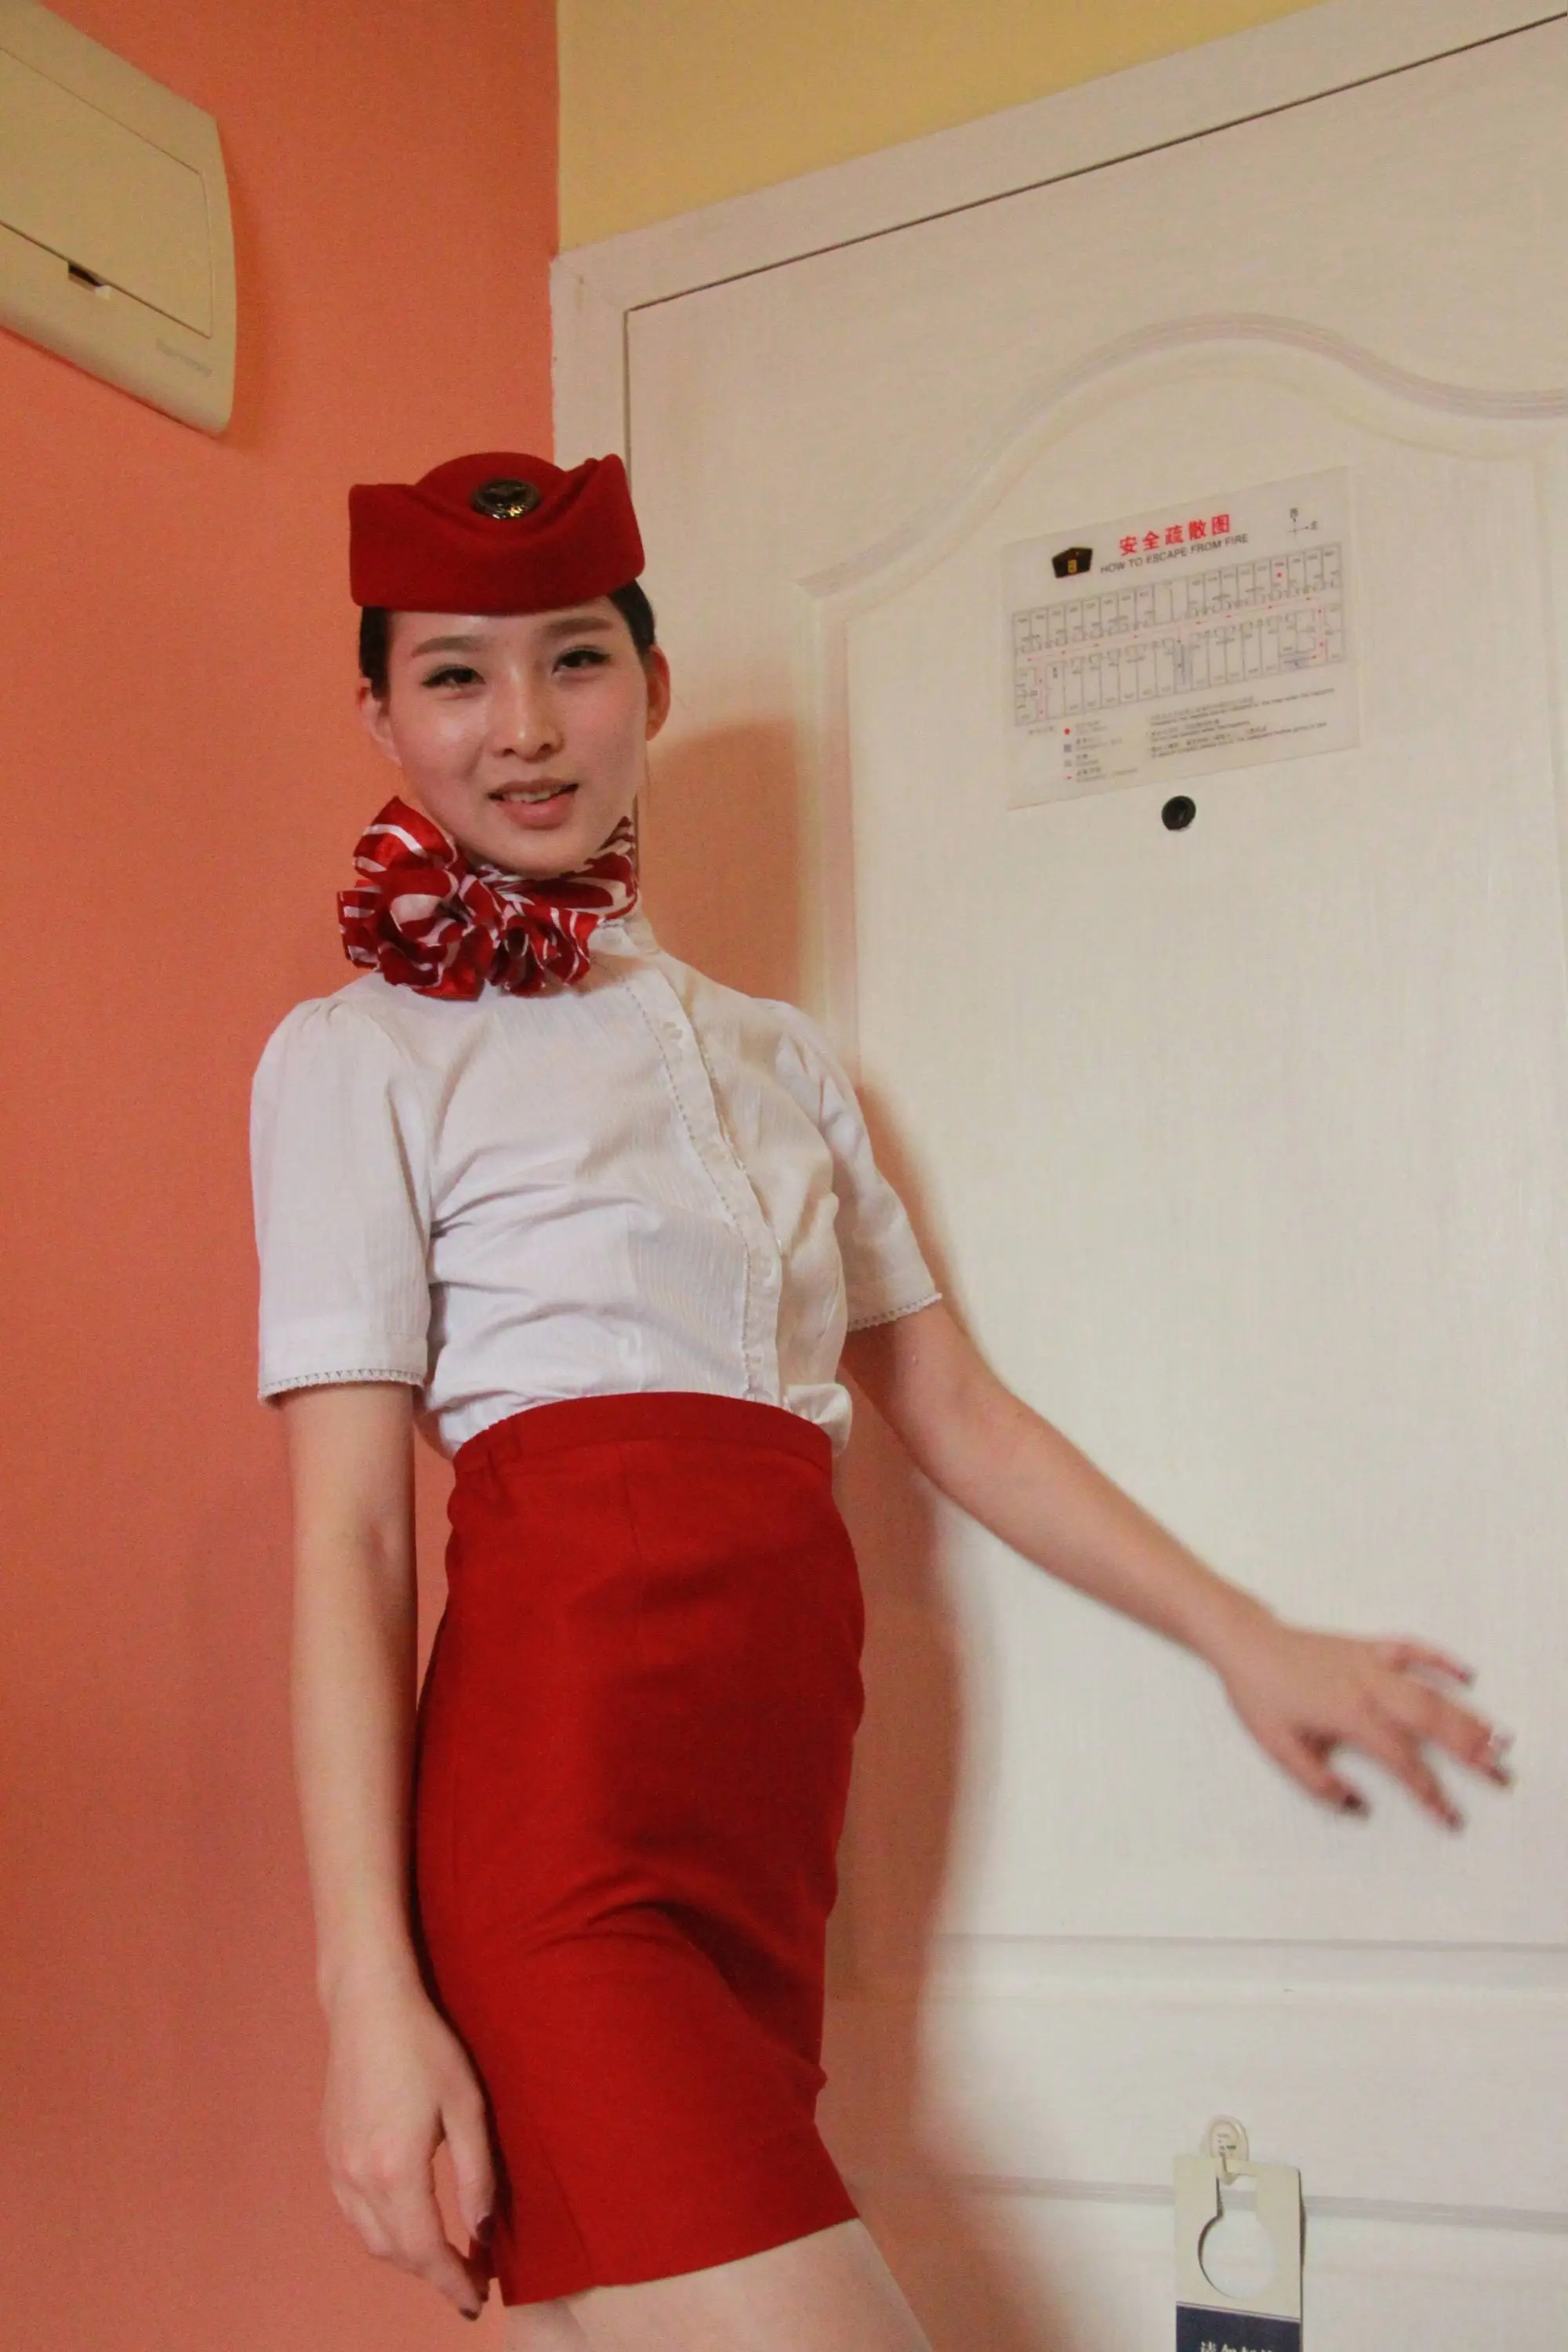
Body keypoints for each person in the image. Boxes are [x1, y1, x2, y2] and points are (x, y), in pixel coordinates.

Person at [251, 451, 1512, 2352]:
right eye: (454, 675)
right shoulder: (355, 1057)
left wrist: (1245, 1637)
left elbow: (958, 1414)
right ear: (379, 715)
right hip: (557, 1821)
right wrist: (368, 1996)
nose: (522, 726)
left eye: (574, 659)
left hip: (770, 1813)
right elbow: (350, 1541)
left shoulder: (779, 1061)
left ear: (651, 686)